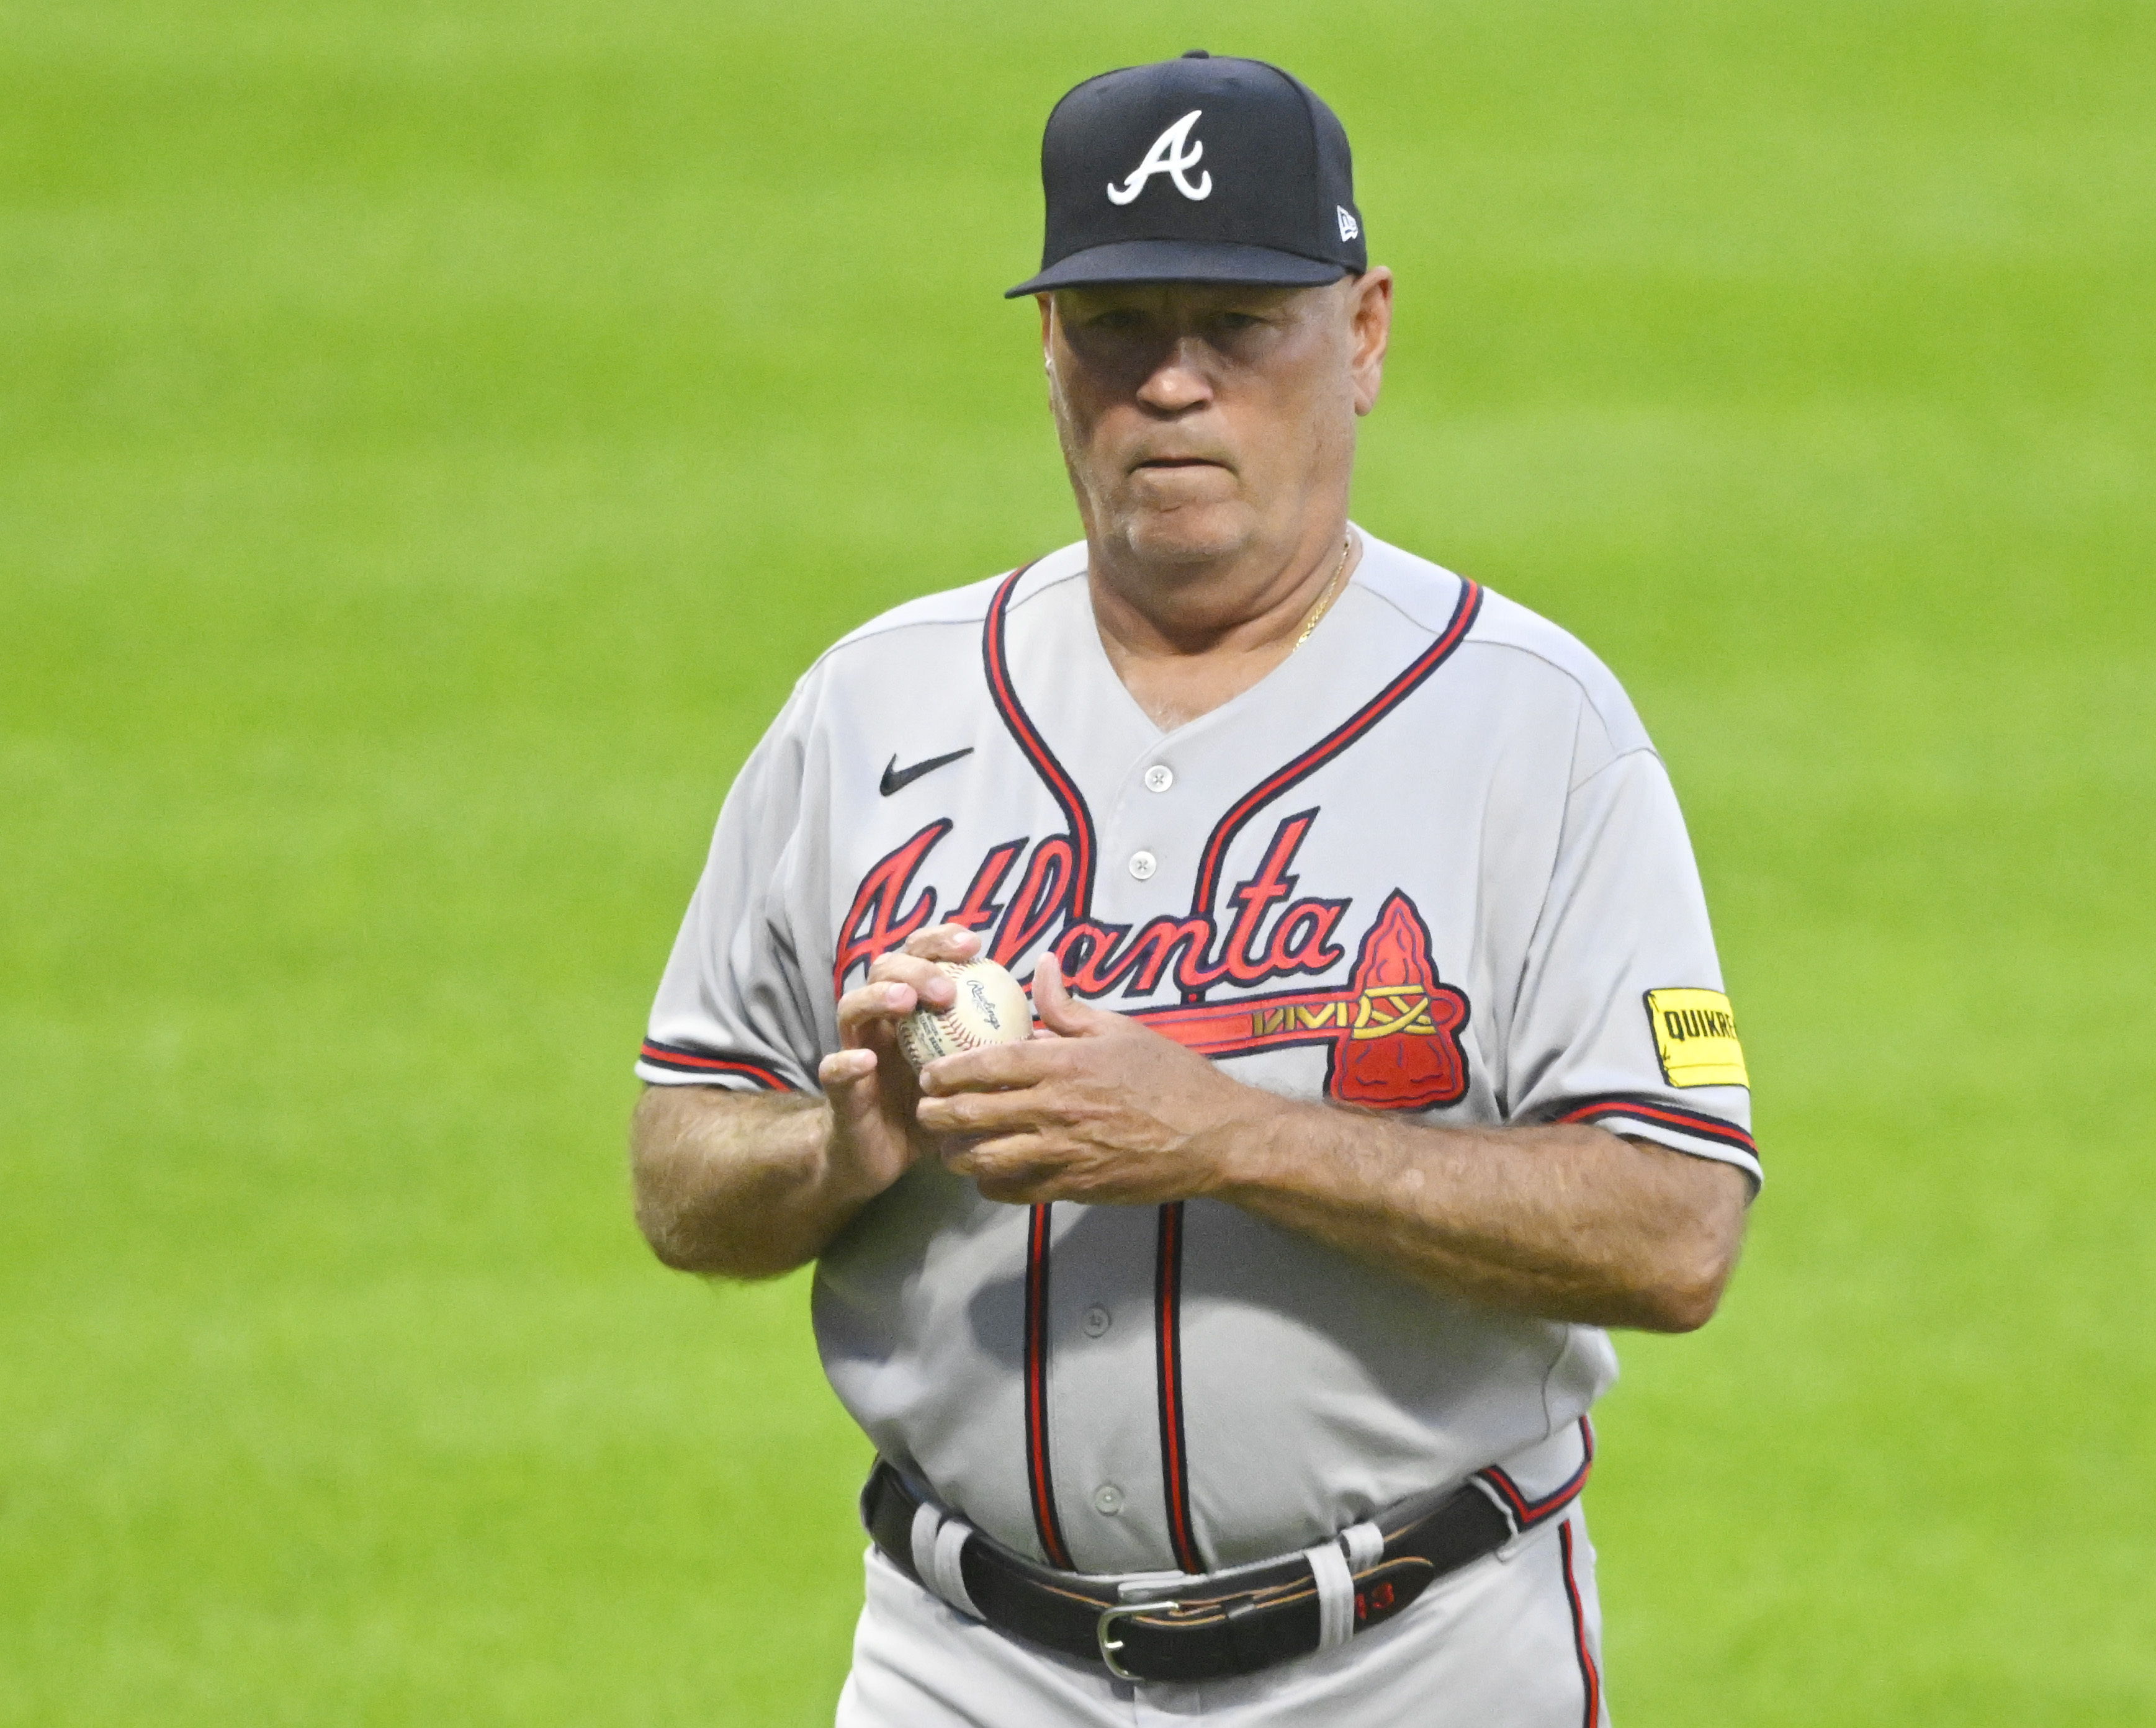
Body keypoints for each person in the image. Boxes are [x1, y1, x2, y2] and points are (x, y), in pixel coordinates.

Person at [629, 50, 1761, 1726]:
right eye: (1115, 328)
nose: (1171, 385)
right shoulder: (871, 706)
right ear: (1045, 349)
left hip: (1414, 1657)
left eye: (1235, 329)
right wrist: (835, 1149)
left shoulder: (1538, 726)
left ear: (1363, 334)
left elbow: (1675, 1228)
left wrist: (1223, 1134)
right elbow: (678, 1162)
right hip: (965, 1665)